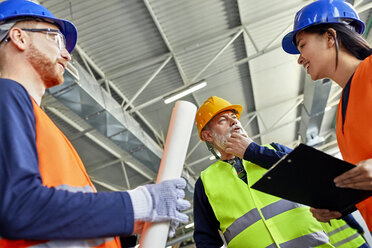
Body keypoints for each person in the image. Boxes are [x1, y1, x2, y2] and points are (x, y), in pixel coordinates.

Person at [0, 0, 190, 247]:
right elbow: (20, 207)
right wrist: (138, 204)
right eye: (56, 40)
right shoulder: (7, 94)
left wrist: (129, 226)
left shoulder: (40, 121)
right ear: (19, 37)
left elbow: (54, 223)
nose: (67, 55)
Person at [193, 96, 369, 248]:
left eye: (234, 116)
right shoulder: (206, 183)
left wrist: (252, 152)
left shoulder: (272, 150)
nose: (234, 121)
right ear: (208, 136)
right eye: (223, 120)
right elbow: (205, 239)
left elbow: (314, 174)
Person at [281, 0, 372, 232]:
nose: (299, 58)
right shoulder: (342, 113)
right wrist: (342, 205)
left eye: (302, 45)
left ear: (330, 38)